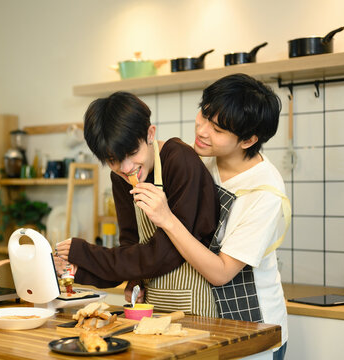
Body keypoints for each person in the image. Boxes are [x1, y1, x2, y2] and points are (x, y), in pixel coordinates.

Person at [130, 73, 289, 359]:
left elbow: (220, 272)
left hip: (251, 328)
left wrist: (166, 218)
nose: (202, 130)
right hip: (205, 319)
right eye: (203, 115)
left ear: (248, 139)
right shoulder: (200, 160)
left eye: (217, 129)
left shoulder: (264, 192)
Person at [54, 91, 220, 316]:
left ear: (150, 134)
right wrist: (133, 279)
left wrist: (86, 253)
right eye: (113, 160)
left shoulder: (180, 160)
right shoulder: (120, 178)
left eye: (132, 153)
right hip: (150, 304)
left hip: (192, 304)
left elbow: (165, 253)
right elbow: (131, 246)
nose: (126, 168)